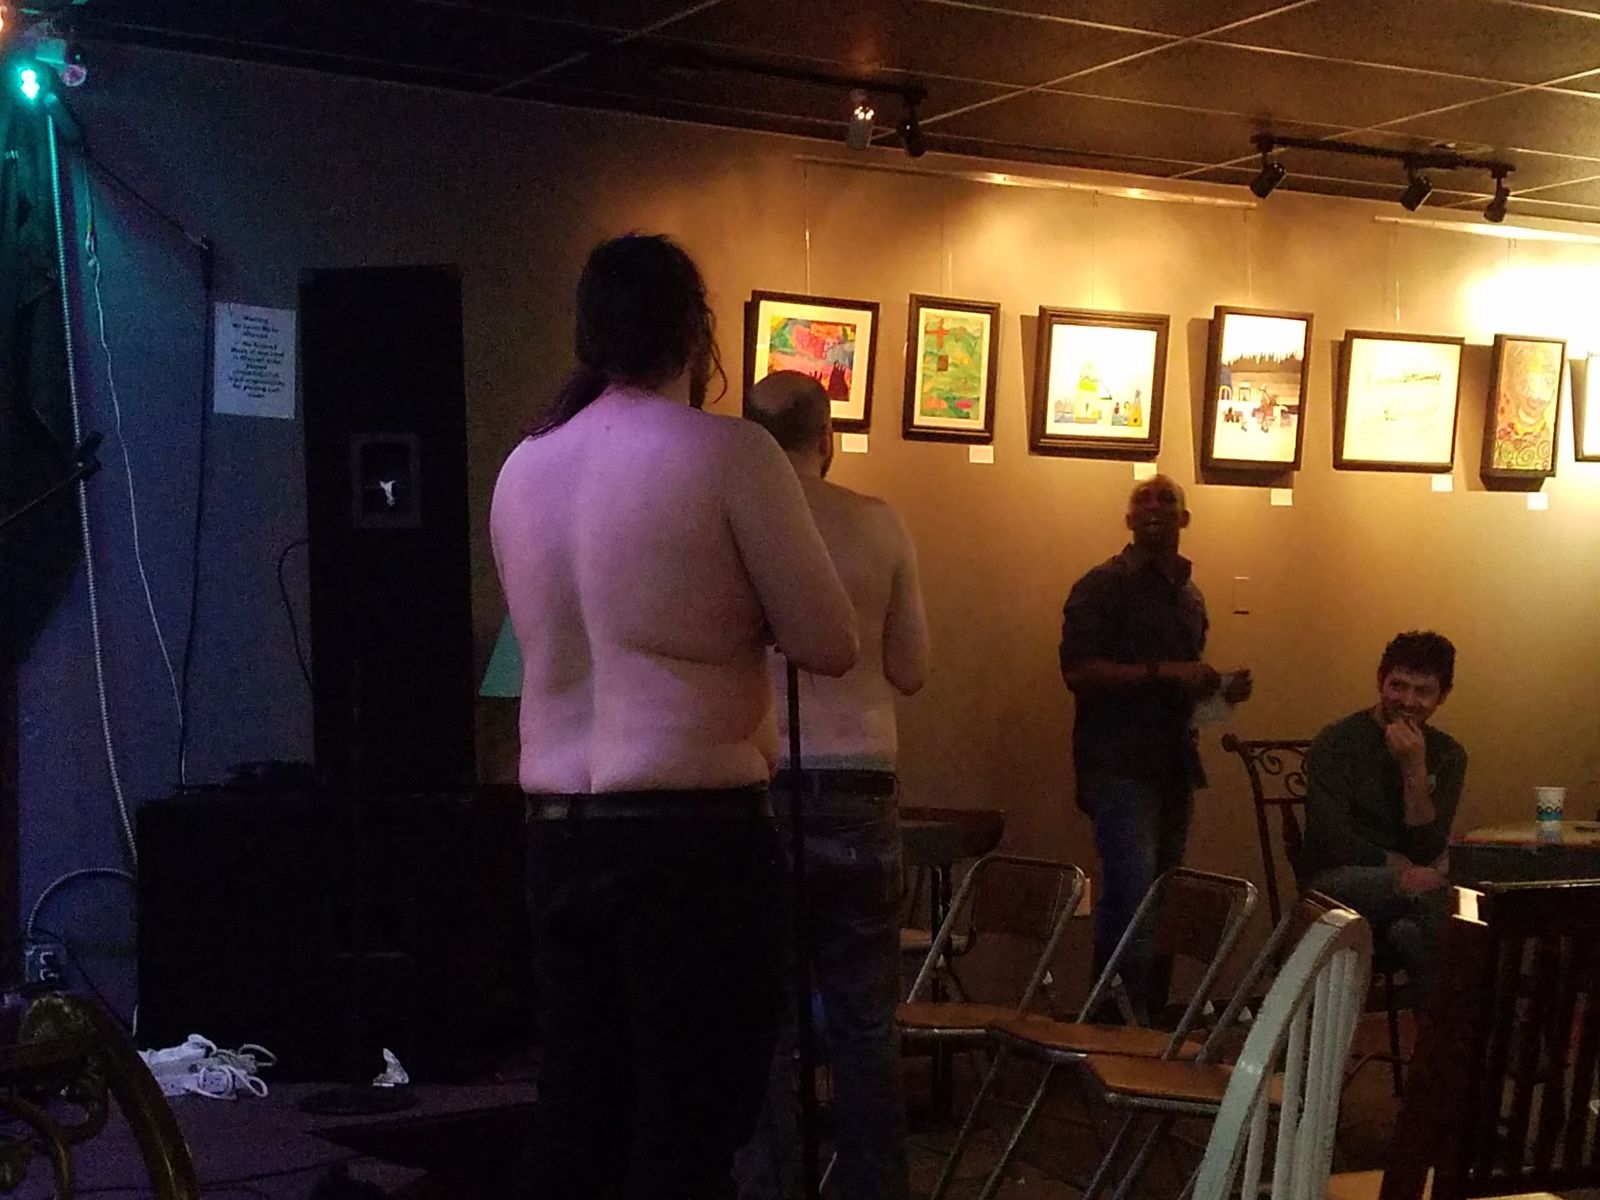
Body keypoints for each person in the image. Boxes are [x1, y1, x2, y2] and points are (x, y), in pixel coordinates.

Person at [490, 235, 859, 1200]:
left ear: (588, 334)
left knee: (579, 1116)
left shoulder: (522, 468)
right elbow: (829, 641)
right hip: (690, 836)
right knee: (689, 1130)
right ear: (696, 334)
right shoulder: (730, 452)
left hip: (555, 830)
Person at [734, 371, 929, 1200]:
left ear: (750, 439)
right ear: (830, 438)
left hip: (768, 784)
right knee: (866, 1026)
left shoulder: (739, 522)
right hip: (861, 782)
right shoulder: (879, 521)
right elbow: (911, 669)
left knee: (767, 1025)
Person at [1058, 475, 1252, 1017]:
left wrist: (1218, 689)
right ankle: (1113, 1023)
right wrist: (1167, 671)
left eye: (1167, 499)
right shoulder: (1102, 585)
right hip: (1117, 762)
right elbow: (1078, 672)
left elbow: (1181, 689)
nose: (1154, 507)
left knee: (1165, 895)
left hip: (1172, 762)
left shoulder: (1190, 596)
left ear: (1185, 519)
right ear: (1127, 519)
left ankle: (1145, 1020)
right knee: (1130, 894)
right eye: (1142, 498)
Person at [1299, 631, 1466, 1008]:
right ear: (1380, 680)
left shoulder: (1448, 754)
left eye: (1423, 691)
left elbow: (1427, 846)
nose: (1407, 701)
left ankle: (1441, 1039)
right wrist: (1401, 870)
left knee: (1411, 931)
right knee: (1436, 894)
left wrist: (1415, 769)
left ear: (1442, 696)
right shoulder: (1338, 741)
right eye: (1398, 686)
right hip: (1336, 880)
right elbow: (1330, 839)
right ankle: (1467, 1030)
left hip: (1413, 890)